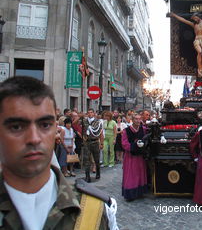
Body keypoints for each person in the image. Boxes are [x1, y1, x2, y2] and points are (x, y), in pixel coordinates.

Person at [0, 76, 117, 229]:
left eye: (45, 125)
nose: (34, 139)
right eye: (16, 127)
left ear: (56, 127)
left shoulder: (95, 210)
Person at [121, 113, 148, 200]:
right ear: (132, 119)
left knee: (140, 174)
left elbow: (149, 136)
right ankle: (130, 194)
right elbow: (124, 143)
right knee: (131, 174)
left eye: (139, 119)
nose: (138, 120)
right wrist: (135, 146)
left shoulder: (143, 129)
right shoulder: (126, 130)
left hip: (140, 156)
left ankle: (140, 192)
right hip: (130, 156)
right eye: (136, 119)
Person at [80, 108, 104, 183]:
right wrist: (80, 116)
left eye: (91, 112)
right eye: (88, 112)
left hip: (95, 141)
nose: (90, 114)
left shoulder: (98, 122)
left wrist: (101, 143)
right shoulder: (84, 121)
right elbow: (81, 129)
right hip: (87, 142)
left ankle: (98, 173)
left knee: (96, 159)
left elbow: (101, 133)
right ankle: (87, 176)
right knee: (87, 160)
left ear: (94, 113)